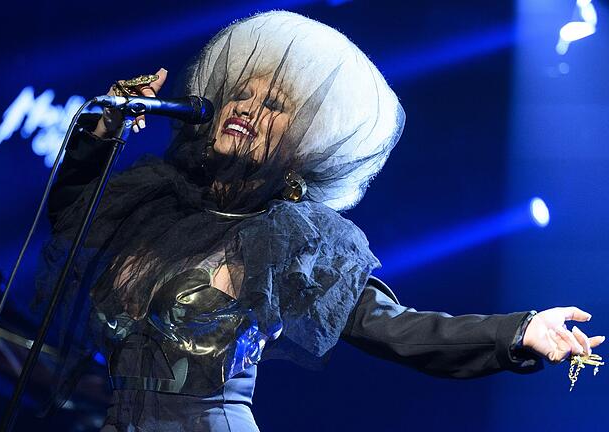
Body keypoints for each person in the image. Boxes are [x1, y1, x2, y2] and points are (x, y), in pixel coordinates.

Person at [35, 11, 605, 431]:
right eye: (240, 93)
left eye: (273, 104)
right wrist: (97, 139)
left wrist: (518, 332)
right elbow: (70, 220)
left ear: (302, 141)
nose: (246, 107)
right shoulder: (154, 205)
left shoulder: (291, 239)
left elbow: (397, 328)